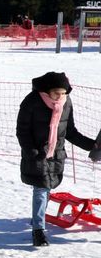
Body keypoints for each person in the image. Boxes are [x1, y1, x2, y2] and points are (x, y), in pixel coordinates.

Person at [16, 72, 98, 246]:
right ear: (46, 91)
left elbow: (70, 132)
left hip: (56, 155)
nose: (60, 97)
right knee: (40, 190)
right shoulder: (32, 102)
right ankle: (38, 231)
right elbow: (22, 131)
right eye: (56, 94)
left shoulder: (65, 103)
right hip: (37, 153)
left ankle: (37, 222)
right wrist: (30, 151)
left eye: (63, 93)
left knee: (46, 190)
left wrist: (92, 145)